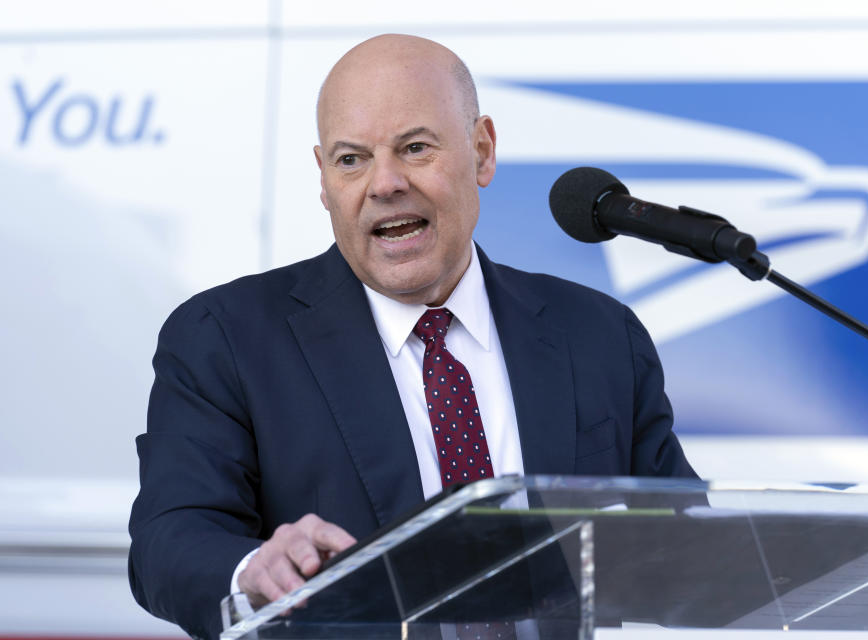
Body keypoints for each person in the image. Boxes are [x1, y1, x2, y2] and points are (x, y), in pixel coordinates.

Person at [128, 34, 697, 639]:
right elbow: (168, 542)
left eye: (415, 148)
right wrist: (251, 569)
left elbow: (696, 546)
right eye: (352, 160)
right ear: (323, 180)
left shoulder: (599, 334)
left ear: (481, 151)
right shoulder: (226, 338)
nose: (385, 183)